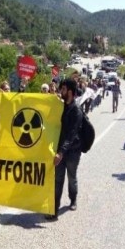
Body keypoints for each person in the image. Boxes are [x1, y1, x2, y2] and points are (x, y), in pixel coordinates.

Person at [46, 79, 82, 221]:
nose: (61, 91)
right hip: (60, 151)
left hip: (72, 151)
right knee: (58, 180)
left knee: (71, 178)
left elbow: (71, 135)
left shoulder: (77, 111)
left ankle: (73, 199)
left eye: (64, 89)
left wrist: (61, 152)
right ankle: (54, 210)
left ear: (70, 92)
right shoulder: (60, 107)